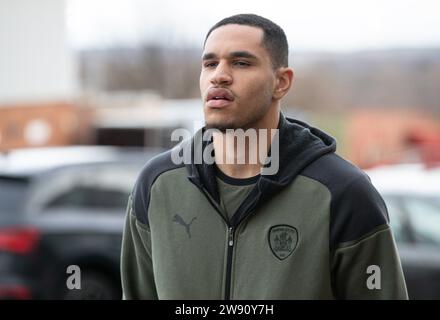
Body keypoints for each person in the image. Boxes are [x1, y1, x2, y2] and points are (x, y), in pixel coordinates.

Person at [120, 13, 408, 299]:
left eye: (241, 63)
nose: (219, 75)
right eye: (210, 63)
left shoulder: (341, 193)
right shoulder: (157, 185)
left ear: (281, 82)